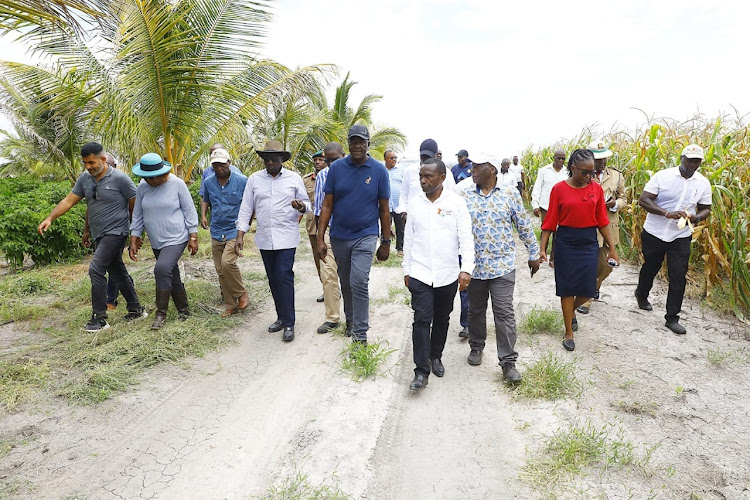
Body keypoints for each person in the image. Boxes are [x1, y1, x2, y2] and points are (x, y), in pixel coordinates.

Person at [38, 142, 146, 332]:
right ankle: (136, 309)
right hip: (99, 234)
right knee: (117, 272)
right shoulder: (85, 179)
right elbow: (68, 201)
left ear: (103, 160)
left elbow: (135, 207)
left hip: (116, 232)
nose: (88, 167)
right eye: (85, 163)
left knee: (96, 269)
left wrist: (135, 235)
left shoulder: (121, 179)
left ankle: (100, 318)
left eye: (91, 162)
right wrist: (50, 218)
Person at [459, 153, 541, 383]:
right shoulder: (463, 194)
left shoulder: (509, 194)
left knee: (504, 312)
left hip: (502, 265)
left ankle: (508, 362)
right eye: (472, 166)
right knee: (475, 310)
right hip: (474, 266)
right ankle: (476, 346)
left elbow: (524, 225)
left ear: (492, 170)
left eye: (477, 166)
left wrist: (534, 254)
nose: (472, 170)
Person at [403, 158, 474, 390]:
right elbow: (409, 238)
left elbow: (466, 238)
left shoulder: (456, 203)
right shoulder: (415, 203)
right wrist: (407, 269)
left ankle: (436, 356)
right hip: (420, 272)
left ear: (442, 178)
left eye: (428, 176)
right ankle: (421, 371)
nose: (423, 180)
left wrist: (466, 269)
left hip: (447, 273)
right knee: (421, 319)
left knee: (442, 317)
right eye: (421, 176)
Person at [317, 125, 391, 344]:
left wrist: (385, 242)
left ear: (368, 144)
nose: (357, 145)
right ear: (348, 144)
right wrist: (321, 238)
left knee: (359, 281)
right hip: (340, 235)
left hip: (366, 234)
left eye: (361, 141)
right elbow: (327, 204)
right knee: (346, 281)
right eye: (353, 141)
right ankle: (350, 320)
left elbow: (384, 208)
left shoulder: (378, 171)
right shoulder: (337, 168)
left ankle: (360, 333)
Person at [539, 149, 620, 351]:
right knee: (566, 289)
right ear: (573, 168)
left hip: (588, 242)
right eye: (585, 172)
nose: (589, 177)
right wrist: (543, 249)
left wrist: (612, 248)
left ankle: (570, 311)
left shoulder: (595, 189)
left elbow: (602, 220)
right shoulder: (558, 189)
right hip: (566, 242)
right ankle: (568, 332)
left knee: (587, 290)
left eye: (592, 173)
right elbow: (550, 222)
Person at [235, 141, 310, 342]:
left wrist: (301, 206)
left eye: (274, 159)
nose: (270, 163)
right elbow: (246, 208)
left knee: (284, 276)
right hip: (265, 238)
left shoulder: (294, 179)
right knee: (273, 279)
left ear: (282, 160)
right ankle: (281, 316)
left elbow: (308, 205)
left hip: (287, 237)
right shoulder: (254, 179)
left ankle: (289, 323)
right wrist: (240, 235)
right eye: (267, 159)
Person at [635, 144, 711, 335]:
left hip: (681, 235)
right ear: (681, 158)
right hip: (655, 231)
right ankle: (642, 294)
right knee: (651, 266)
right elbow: (644, 200)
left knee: (678, 275)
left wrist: (696, 217)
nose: (693, 164)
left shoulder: (703, 183)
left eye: (697, 161)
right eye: (690, 160)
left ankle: (672, 317)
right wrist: (666, 213)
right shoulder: (663, 176)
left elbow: (705, 208)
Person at [129, 152, 199, 330]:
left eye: (154, 178)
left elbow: (189, 211)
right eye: (147, 178)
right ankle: (184, 310)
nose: (150, 181)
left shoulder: (177, 184)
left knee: (161, 269)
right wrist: (134, 238)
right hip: (156, 239)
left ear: (163, 173)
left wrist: (193, 236)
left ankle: (161, 315)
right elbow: (137, 214)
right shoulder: (143, 187)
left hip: (177, 237)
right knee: (170, 273)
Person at [576, 141, 626, 315]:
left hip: (608, 227)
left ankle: (595, 286)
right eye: (598, 159)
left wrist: (614, 204)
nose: (602, 162)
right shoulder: (583, 175)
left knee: (607, 265)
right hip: (589, 227)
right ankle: (586, 299)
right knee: (589, 264)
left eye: (604, 158)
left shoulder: (616, 176)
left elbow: (624, 198)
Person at [200, 148, 250, 317]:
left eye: (222, 164)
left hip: (234, 229)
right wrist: (203, 216)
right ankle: (231, 305)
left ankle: (241, 293)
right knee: (221, 270)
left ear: (229, 163)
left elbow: (250, 204)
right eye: (216, 165)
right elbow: (205, 199)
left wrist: (246, 226)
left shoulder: (242, 180)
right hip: (216, 229)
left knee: (228, 263)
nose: (219, 168)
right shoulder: (208, 182)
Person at [311, 142, 343, 334]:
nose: (331, 164)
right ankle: (332, 317)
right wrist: (319, 238)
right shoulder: (323, 176)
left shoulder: (355, 173)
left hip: (350, 232)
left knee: (349, 277)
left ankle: (354, 316)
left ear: (343, 156)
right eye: (327, 161)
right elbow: (318, 209)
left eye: (334, 160)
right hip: (330, 230)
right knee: (329, 274)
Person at [397, 139, 457, 217]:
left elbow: (452, 195)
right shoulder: (409, 171)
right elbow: (404, 193)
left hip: (438, 216)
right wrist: (404, 211)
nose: (425, 159)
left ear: (436, 155)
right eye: (423, 156)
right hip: (414, 216)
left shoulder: (446, 173)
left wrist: (445, 215)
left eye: (428, 156)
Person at [531, 149, 568, 265]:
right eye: (558, 158)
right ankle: (542, 254)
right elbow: (537, 187)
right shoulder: (544, 171)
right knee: (546, 231)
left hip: (562, 207)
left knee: (558, 233)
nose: (561, 161)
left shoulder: (567, 172)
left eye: (563, 159)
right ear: (554, 158)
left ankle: (553, 259)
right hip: (546, 206)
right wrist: (535, 205)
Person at [303, 150, 327, 302]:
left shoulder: (334, 176)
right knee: (319, 258)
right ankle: (326, 288)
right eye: (316, 160)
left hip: (332, 224)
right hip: (313, 225)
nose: (317, 162)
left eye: (321, 160)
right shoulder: (306, 180)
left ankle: (337, 286)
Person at [384, 149, 405, 257]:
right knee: (385, 227)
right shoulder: (382, 170)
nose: (394, 160)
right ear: (385, 159)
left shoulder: (401, 170)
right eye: (391, 158)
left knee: (400, 228)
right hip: (385, 205)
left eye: (395, 157)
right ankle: (384, 248)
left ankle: (400, 249)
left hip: (398, 204)